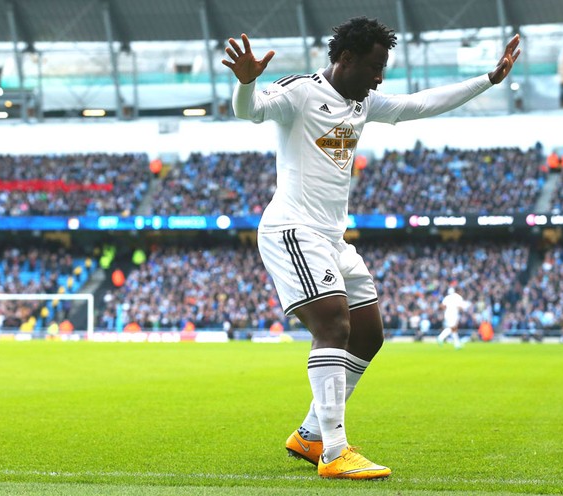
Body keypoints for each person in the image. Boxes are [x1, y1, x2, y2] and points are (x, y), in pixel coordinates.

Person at [222, 16, 520, 480]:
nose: (380, 76)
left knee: (368, 334)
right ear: (345, 59)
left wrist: (489, 79)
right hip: (293, 230)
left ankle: (309, 434)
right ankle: (334, 453)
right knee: (334, 326)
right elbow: (251, 110)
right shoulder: (301, 91)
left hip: (333, 238)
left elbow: (419, 104)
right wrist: (245, 83)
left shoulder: (364, 100)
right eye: (376, 65)